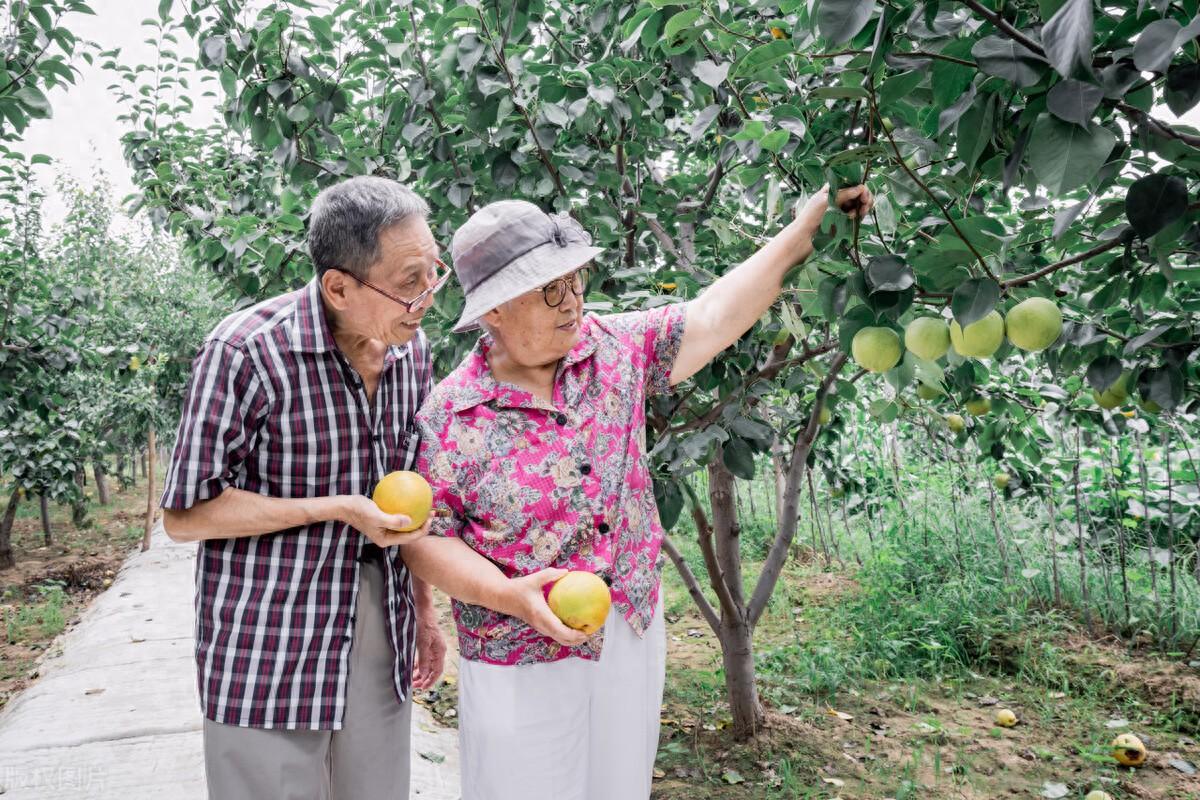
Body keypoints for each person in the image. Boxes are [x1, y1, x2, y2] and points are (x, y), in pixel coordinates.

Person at [402, 184, 874, 799]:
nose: (573, 301)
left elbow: (714, 314)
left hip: (627, 627)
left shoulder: (613, 349)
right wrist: (509, 596)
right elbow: (426, 539)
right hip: (516, 649)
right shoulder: (452, 413)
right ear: (495, 310)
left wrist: (807, 225)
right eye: (549, 290)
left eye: (574, 280)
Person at [160, 176, 448, 799]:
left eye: (434, 272)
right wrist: (335, 509)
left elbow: (412, 491)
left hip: (380, 621)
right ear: (338, 287)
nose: (427, 296)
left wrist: (424, 610)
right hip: (270, 636)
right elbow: (186, 514)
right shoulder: (246, 351)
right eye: (409, 281)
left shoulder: (412, 354)